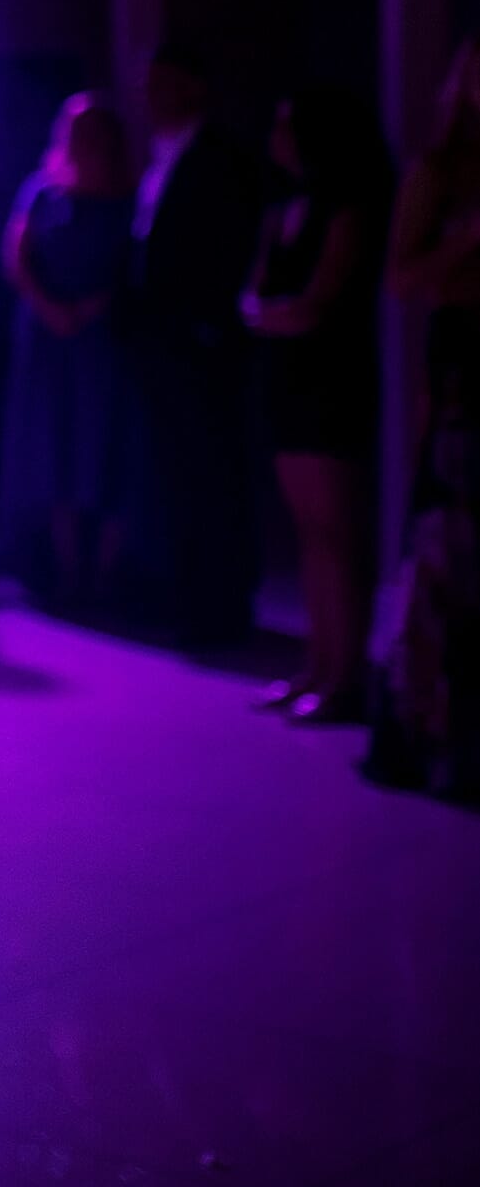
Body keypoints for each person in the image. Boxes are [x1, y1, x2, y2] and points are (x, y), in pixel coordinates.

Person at [242, 90, 391, 725]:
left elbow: (318, 302)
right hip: (288, 376)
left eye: (286, 127)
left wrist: (274, 316)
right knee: (308, 532)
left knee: (338, 531)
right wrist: (275, 315)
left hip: (333, 380)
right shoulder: (281, 212)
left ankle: (347, 674)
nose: (277, 139)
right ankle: (317, 662)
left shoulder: (348, 210)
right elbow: (255, 295)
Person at [130, 43, 267, 647]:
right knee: (177, 475)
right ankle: (190, 600)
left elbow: (227, 248)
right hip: (165, 346)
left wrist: (208, 327)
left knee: (214, 474)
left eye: (164, 83)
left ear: (194, 87)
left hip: (202, 345)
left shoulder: (221, 159)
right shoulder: (160, 159)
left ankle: (222, 605)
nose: (151, 96)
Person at [377, 41, 480, 795]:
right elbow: (401, 278)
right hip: (462, 376)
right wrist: (468, 239)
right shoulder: (437, 171)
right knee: (449, 560)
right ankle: (440, 734)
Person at [0, 94, 138, 606]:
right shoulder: (42, 192)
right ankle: (66, 570)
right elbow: (18, 255)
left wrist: (94, 307)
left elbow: (134, 266)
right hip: (51, 337)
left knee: (103, 449)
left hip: (103, 340)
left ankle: (105, 573)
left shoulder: (127, 196)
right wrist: (51, 306)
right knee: (56, 448)